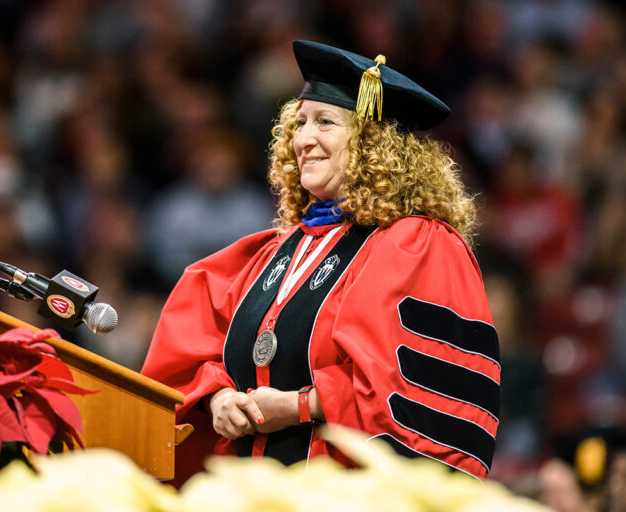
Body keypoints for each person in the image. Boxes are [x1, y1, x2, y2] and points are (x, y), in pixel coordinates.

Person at [141, 40, 500, 482]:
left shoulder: (416, 245)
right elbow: (193, 354)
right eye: (300, 122)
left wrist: (297, 407)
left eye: (325, 122)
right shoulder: (272, 253)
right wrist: (218, 400)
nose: (303, 140)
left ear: (373, 143)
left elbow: (410, 393)